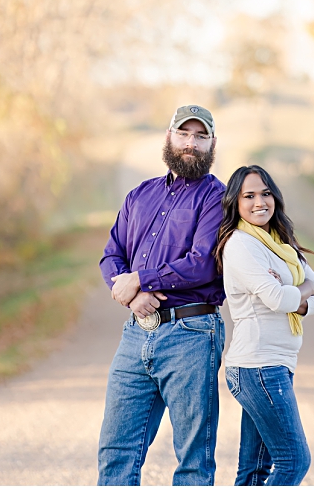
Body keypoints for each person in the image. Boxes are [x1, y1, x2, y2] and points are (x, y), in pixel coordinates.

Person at [97, 105, 227, 486]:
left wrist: (140, 278)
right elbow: (111, 255)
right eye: (183, 134)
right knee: (115, 450)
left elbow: (203, 263)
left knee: (192, 459)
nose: (191, 143)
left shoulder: (216, 198)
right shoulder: (140, 194)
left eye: (200, 136)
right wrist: (131, 295)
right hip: (137, 332)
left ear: (212, 144)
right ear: (168, 137)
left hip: (192, 334)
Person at [216, 164, 314, 486]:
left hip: (274, 365)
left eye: (265, 193)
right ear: (235, 203)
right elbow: (279, 299)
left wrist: (298, 293)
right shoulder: (240, 245)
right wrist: (301, 290)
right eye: (248, 196)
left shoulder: (280, 243)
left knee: (254, 472)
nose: (259, 202)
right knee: (294, 461)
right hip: (257, 366)